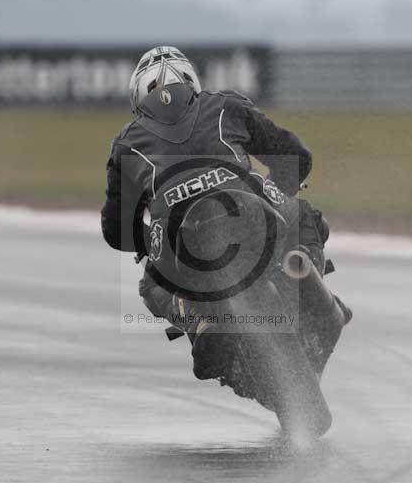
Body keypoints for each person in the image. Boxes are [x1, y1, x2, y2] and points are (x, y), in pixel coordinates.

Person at [101, 46, 350, 378]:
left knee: (151, 286)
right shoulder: (225, 105)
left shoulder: (126, 144)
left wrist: (150, 241)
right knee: (304, 216)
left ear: (138, 99)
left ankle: (197, 317)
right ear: (191, 82)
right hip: (250, 213)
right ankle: (300, 264)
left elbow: (116, 228)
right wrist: (278, 189)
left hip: (182, 244)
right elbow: (295, 154)